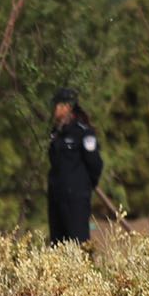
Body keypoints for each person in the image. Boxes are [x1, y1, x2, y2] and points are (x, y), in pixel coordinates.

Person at [48, 87, 103, 245]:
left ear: (66, 107)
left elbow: (95, 164)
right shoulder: (56, 133)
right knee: (58, 245)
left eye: (57, 106)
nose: (54, 110)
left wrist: (82, 187)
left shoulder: (83, 133)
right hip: (56, 197)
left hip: (76, 199)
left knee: (78, 243)